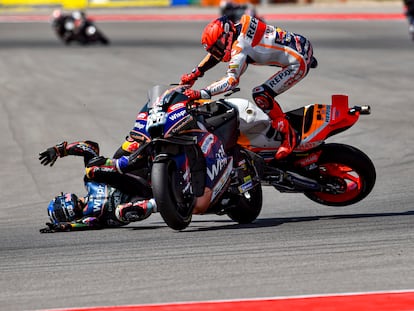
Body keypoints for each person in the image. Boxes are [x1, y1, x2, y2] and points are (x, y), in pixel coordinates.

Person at [180, 15, 317, 160]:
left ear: (227, 34)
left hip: (297, 63)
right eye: (214, 50)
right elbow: (217, 55)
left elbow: (231, 81)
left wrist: (201, 93)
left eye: (218, 47)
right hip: (301, 43)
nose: (217, 53)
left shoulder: (240, 47)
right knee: (262, 92)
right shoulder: (238, 29)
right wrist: (196, 73)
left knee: (262, 95)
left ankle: (289, 136)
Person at [38, 141, 155, 233]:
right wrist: (67, 226)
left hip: (134, 174)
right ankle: (160, 203)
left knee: (92, 168)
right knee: (122, 212)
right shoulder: (88, 217)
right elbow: (89, 223)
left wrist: (59, 150)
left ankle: (148, 148)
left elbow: (91, 147)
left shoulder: (89, 182)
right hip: (142, 198)